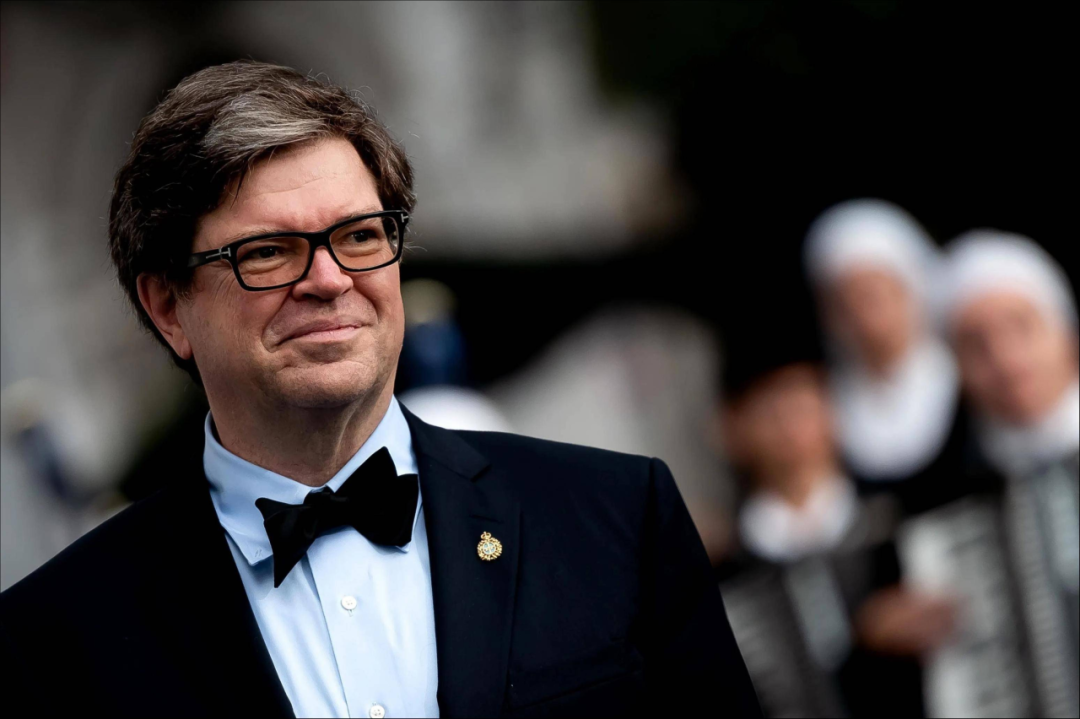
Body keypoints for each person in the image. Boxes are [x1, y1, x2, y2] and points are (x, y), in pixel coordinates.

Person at [0, 61, 759, 718]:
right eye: (268, 252)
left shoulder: (618, 519)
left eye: (360, 235)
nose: (329, 280)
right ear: (169, 307)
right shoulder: (50, 637)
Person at [714, 325, 955, 718]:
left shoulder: (908, 523)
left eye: (802, 403)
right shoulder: (721, 576)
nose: (790, 427)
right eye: (770, 410)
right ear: (731, 428)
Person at [902, 230, 1079, 718]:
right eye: (974, 343)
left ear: (1065, 330)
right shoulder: (938, 496)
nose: (1004, 359)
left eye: (1021, 326)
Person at [804, 200, 966, 514]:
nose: (863, 317)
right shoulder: (826, 410)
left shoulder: (967, 380)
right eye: (845, 302)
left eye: (874, 295)